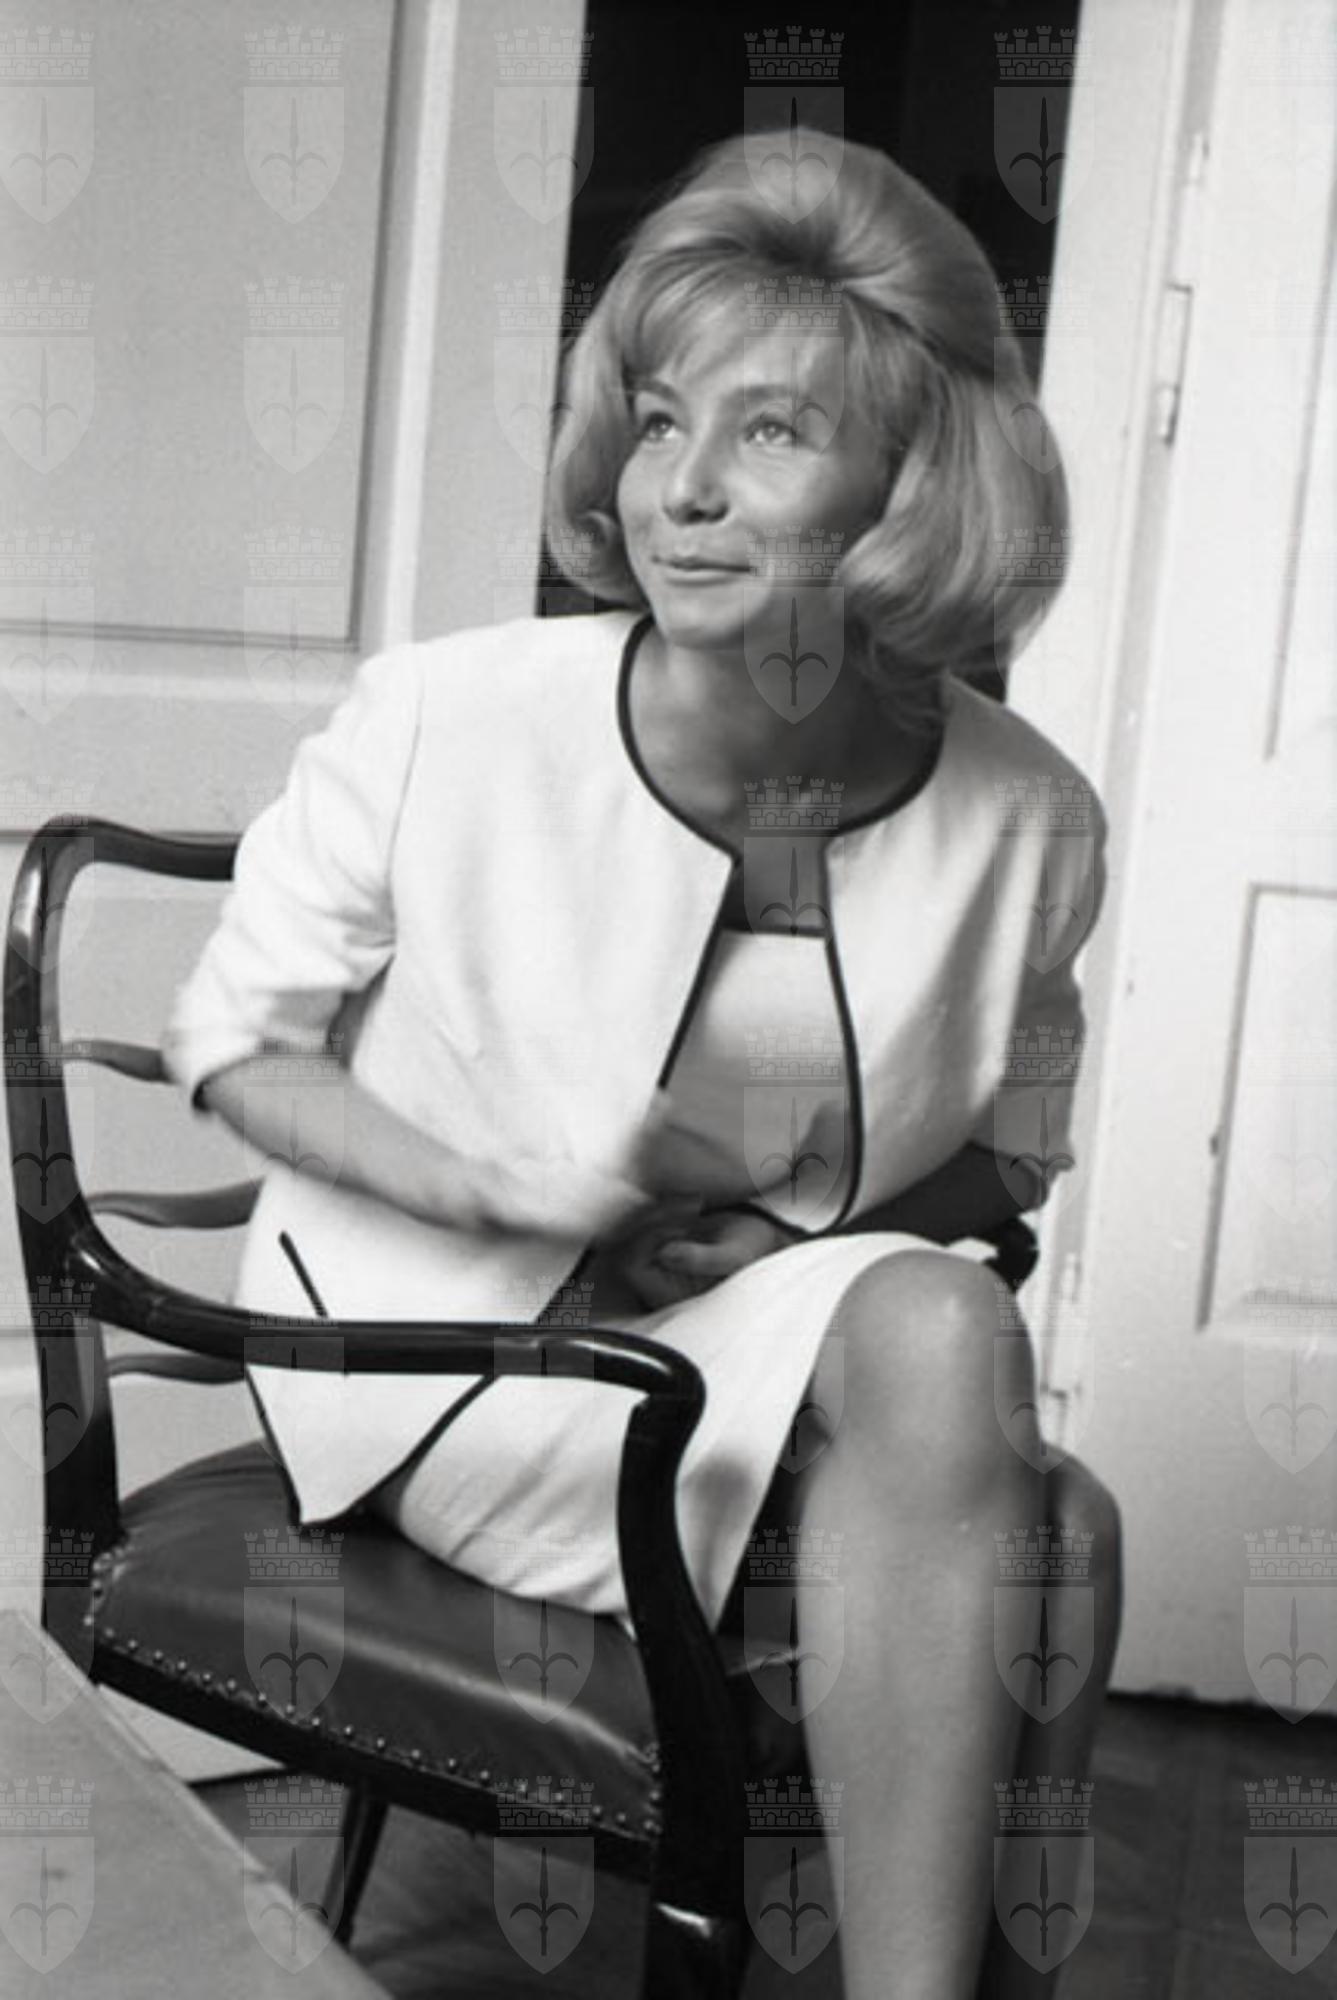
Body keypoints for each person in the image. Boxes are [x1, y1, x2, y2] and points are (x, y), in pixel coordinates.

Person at [162, 131, 1119, 2000]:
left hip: (749, 1340)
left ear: (915, 481)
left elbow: (1008, 1156)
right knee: (1046, 1518)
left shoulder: (1029, 817)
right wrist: (498, 1188)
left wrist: (779, 1248)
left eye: (769, 433)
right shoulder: (449, 711)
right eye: (660, 418)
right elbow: (237, 1046)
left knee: (1021, 1467)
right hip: (441, 1349)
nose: (676, 489)